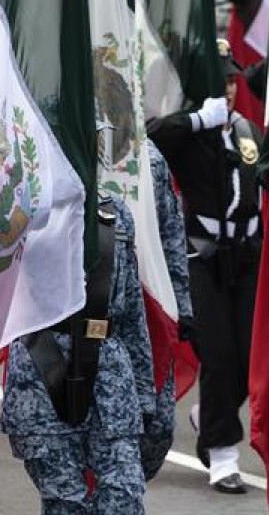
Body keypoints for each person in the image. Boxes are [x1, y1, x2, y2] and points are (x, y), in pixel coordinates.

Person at [1, 122, 155, 513]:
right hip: (40, 369)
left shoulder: (114, 213)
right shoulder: (17, 213)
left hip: (111, 374)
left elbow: (133, 311)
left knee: (125, 499)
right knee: (66, 504)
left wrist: (147, 394)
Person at [146, 39, 263, 493]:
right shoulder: (188, 133)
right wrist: (197, 119)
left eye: (231, 80)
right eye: (220, 81)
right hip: (205, 255)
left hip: (248, 255)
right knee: (218, 354)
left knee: (252, 356)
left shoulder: (247, 130)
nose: (229, 90)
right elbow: (148, 137)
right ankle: (223, 455)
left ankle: (207, 416)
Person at [138, 139, 193, 481]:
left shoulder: (149, 156)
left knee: (157, 427)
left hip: (145, 313)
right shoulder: (60, 145)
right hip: (76, 322)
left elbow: (171, 231)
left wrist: (182, 307)